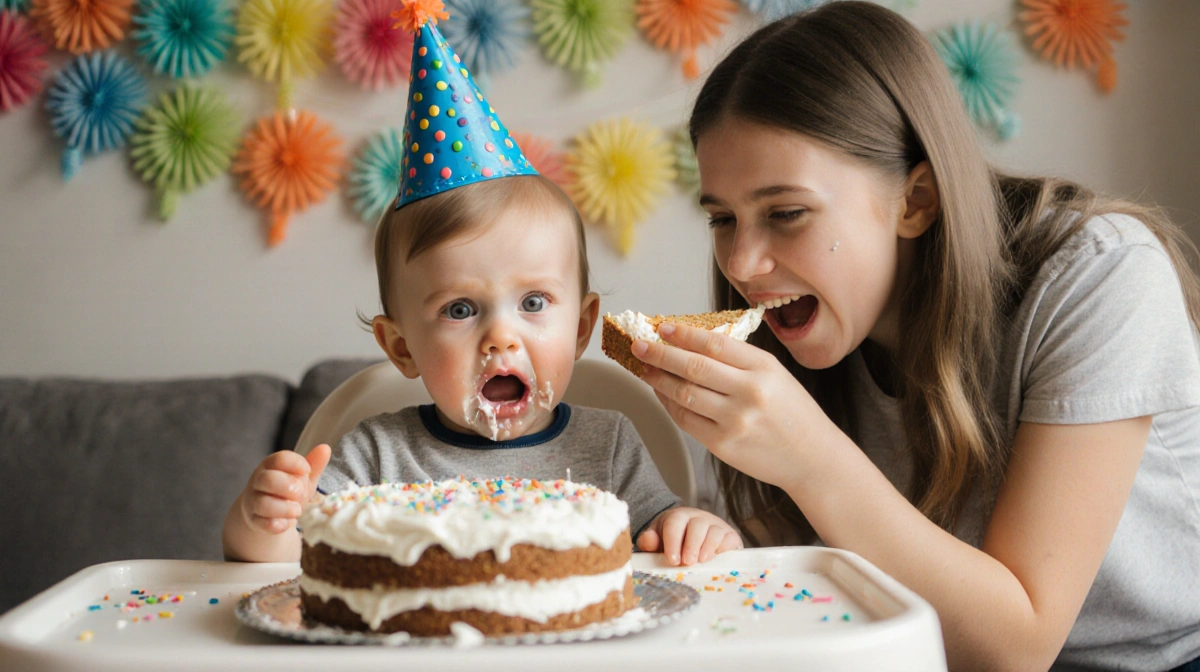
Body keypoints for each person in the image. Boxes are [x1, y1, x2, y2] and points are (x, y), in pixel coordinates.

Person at [628, 3, 1200, 671]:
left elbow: (1017, 648)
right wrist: (725, 535)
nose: (742, 263)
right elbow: (830, 536)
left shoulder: (1103, 273)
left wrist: (809, 456)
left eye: (786, 213)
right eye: (723, 219)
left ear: (915, 200)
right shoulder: (832, 322)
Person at [222, 7, 740, 571]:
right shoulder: (377, 457)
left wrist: (691, 528)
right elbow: (283, 561)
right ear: (401, 347)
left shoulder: (609, 446)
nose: (501, 337)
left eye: (534, 303)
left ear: (582, 327)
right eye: (460, 309)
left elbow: (661, 545)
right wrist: (260, 523)